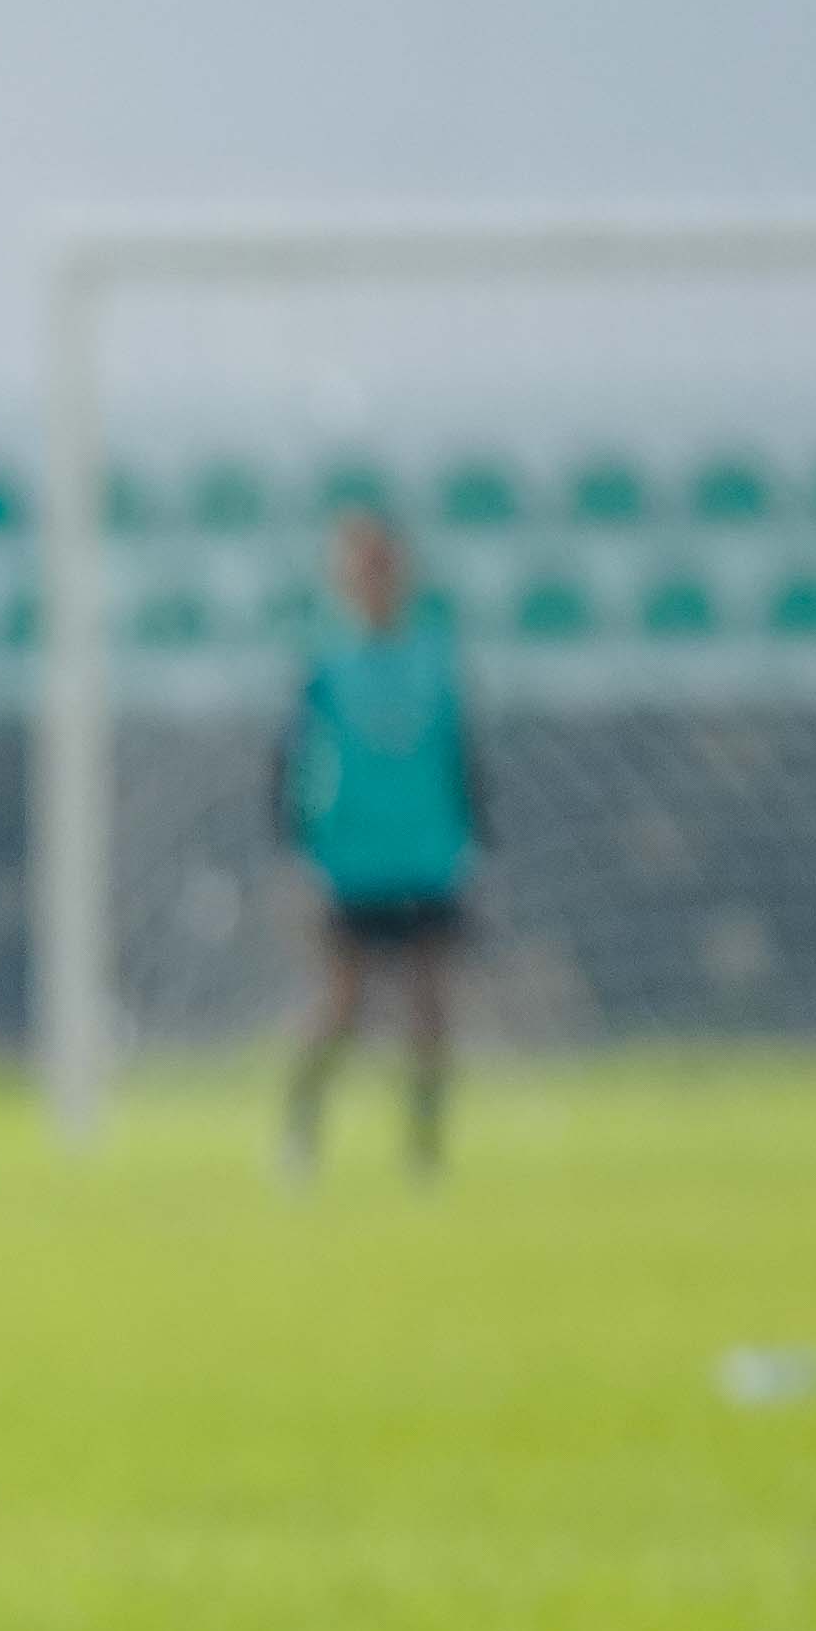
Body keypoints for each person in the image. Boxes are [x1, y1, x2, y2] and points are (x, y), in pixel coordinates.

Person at [279, 503, 480, 1183]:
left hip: (426, 852)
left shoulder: (434, 656)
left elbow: (461, 751)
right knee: (343, 1007)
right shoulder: (327, 663)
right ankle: (300, 1132)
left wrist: (474, 830)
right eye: (361, 569)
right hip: (352, 858)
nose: (374, 581)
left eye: (383, 567)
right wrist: (299, 839)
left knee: (430, 1007)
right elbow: (293, 758)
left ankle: (424, 1150)